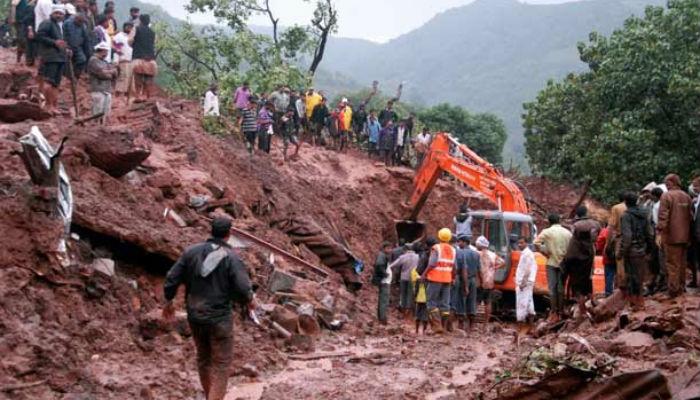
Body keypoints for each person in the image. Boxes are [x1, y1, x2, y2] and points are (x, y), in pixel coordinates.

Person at [163, 217, 254, 400]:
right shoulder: (232, 257)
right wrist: (250, 301)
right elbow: (243, 288)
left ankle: (209, 396)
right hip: (220, 318)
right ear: (229, 234)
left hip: (195, 315)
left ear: (211, 231)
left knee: (203, 359)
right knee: (221, 364)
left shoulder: (191, 252)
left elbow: (172, 277)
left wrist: (169, 301)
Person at [657, 174, 693, 298]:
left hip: (671, 236)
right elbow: (691, 216)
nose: (666, 185)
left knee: (672, 264)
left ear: (672, 182)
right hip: (685, 236)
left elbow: (663, 216)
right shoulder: (687, 196)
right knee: (682, 263)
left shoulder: (666, 196)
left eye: (667, 182)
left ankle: (673, 290)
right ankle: (681, 287)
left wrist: (659, 231)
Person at [563, 206, 600, 319]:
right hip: (588, 257)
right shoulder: (595, 224)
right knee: (587, 281)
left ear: (577, 215)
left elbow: (572, 236)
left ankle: (582, 310)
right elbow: (595, 238)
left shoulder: (575, 226)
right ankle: (593, 303)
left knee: (576, 286)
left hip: (575, 258)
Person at [534, 213, 572, 322]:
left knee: (552, 289)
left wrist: (545, 253)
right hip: (564, 264)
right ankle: (561, 311)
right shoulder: (567, 233)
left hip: (551, 262)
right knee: (561, 288)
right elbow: (571, 247)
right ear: (559, 220)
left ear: (549, 222)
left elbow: (536, 243)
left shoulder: (547, 232)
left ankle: (553, 311)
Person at [619, 191, 654, 310]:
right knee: (640, 276)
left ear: (626, 202)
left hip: (631, 251)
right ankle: (641, 301)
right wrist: (649, 248)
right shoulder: (644, 214)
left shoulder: (626, 216)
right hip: (642, 249)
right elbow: (649, 233)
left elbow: (627, 237)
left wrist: (621, 252)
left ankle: (635, 303)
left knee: (631, 277)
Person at [421, 228, 456, 334]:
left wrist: (424, 274)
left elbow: (432, 263)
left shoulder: (436, 248)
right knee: (445, 304)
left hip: (435, 278)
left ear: (439, 236)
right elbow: (454, 267)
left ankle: (437, 326)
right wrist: (453, 278)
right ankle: (444, 327)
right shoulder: (453, 250)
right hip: (447, 279)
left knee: (431, 302)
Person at [36, 4, 68, 115]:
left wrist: (66, 49)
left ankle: (54, 106)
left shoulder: (59, 26)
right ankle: (47, 106)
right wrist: (54, 42)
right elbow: (39, 36)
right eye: (57, 13)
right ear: (52, 13)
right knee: (48, 82)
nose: (59, 15)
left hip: (59, 58)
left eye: (61, 14)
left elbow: (60, 42)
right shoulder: (47, 23)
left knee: (56, 84)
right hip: (50, 58)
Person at [475, 235, 504, 327]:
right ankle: (485, 324)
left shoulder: (477, 254)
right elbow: (503, 262)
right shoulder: (493, 254)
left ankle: (473, 324)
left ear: (480, 245)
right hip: (489, 281)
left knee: (476, 302)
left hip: (479, 281)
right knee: (488, 302)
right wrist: (494, 268)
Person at [87, 41, 117, 124]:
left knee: (106, 112)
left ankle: (102, 128)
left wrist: (109, 72)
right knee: (97, 111)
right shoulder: (93, 60)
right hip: (98, 89)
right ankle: (95, 127)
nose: (107, 53)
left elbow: (114, 73)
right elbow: (101, 74)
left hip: (107, 89)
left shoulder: (105, 62)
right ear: (102, 50)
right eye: (106, 51)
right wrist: (110, 73)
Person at [389, 243, 419, 318]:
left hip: (404, 277)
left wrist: (388, 268)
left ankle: (402, 309)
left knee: (403, 294)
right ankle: (408, 312)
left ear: (405, 249)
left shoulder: (403, 257)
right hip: (413, 278)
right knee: (410, 294)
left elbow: (393, 265)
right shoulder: (417, 257)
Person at [130, 14, 156, 101]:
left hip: (138, 58)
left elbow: (129, 41)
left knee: (138, 79)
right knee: (148, 80)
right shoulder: (152, 32)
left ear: (140, 21)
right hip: (151, 60)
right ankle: (147, 97)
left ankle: (138, 96)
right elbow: (153, 44)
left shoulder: (136, 29)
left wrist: (134, 45)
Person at [515, 237, 537, 342]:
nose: (519, 245)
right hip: (528, 283)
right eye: (519, 243)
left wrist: (522, 283)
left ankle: (521, 328)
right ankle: (531, 328)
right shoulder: (526, 253)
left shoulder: (527, 254)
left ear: (526, 243)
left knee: (521, 304)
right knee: (529, 303)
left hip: (525, 283)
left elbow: (527, 269)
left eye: (522, 243)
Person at [607, 191, 628, 295]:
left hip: (621, 238)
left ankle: (622, 290)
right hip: (635, 239)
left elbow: (611, 226)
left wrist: (608, 243)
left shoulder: (616, 208)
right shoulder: (635, 207)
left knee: (620, 263)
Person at [63, 9, 91, 79]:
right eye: (79, 21)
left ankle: (76, 75)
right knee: (67, 62)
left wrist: (87, 50)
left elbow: (85, 38)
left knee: (82, 60)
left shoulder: (82, 25)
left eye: (82, 22)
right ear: (76, 18)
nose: (80, 23)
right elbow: (63, 35)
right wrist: (66, 46)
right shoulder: (67, 23)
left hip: (78, 47)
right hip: (67, 46)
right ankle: (67, 77)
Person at [372, 242, 393, 325]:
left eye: (391, 248)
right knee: (384, 300)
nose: (390, 250)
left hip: (385, 281)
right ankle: (382, 318)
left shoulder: (383, 256)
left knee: (383, 300)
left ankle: (381, 317)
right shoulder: (382, 255)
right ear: (384, 248)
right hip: (384, 282)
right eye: (388, 248)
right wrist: (385, 274)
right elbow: (378, 265)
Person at [112, 22, 133, 97]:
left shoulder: (132, 38)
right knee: (122, 78)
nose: (129, 28)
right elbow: (115, 49)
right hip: (122, 61)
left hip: (131, 62)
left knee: (129, 80)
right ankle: (118, 97)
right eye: (128, 26)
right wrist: (115, 61)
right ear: (124, 27)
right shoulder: (119, 36)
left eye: (131, 27)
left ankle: (125, 98)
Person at [595, 221, 615, 297]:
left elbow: (599, 242)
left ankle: (609, 292)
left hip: (608, 256)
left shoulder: (605, 231)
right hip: (619, 255)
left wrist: (599, 250)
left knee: (609, 274)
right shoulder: (621, 229)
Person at [15, 0, 36, 66]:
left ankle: (26, 60)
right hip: (23, 24)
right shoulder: (30, 6)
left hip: (24, 24)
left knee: (25, 43)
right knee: (24, 42)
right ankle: (24, 60)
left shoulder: (29, 5)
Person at [412, 266, 428, 335]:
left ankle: (416, 330)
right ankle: (424, 331)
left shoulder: (418, 280)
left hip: (418, 299)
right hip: (426, 300)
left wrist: (414, 297)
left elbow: (416, 290)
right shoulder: (428, 280)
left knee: (417, 315)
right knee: (425, 316)